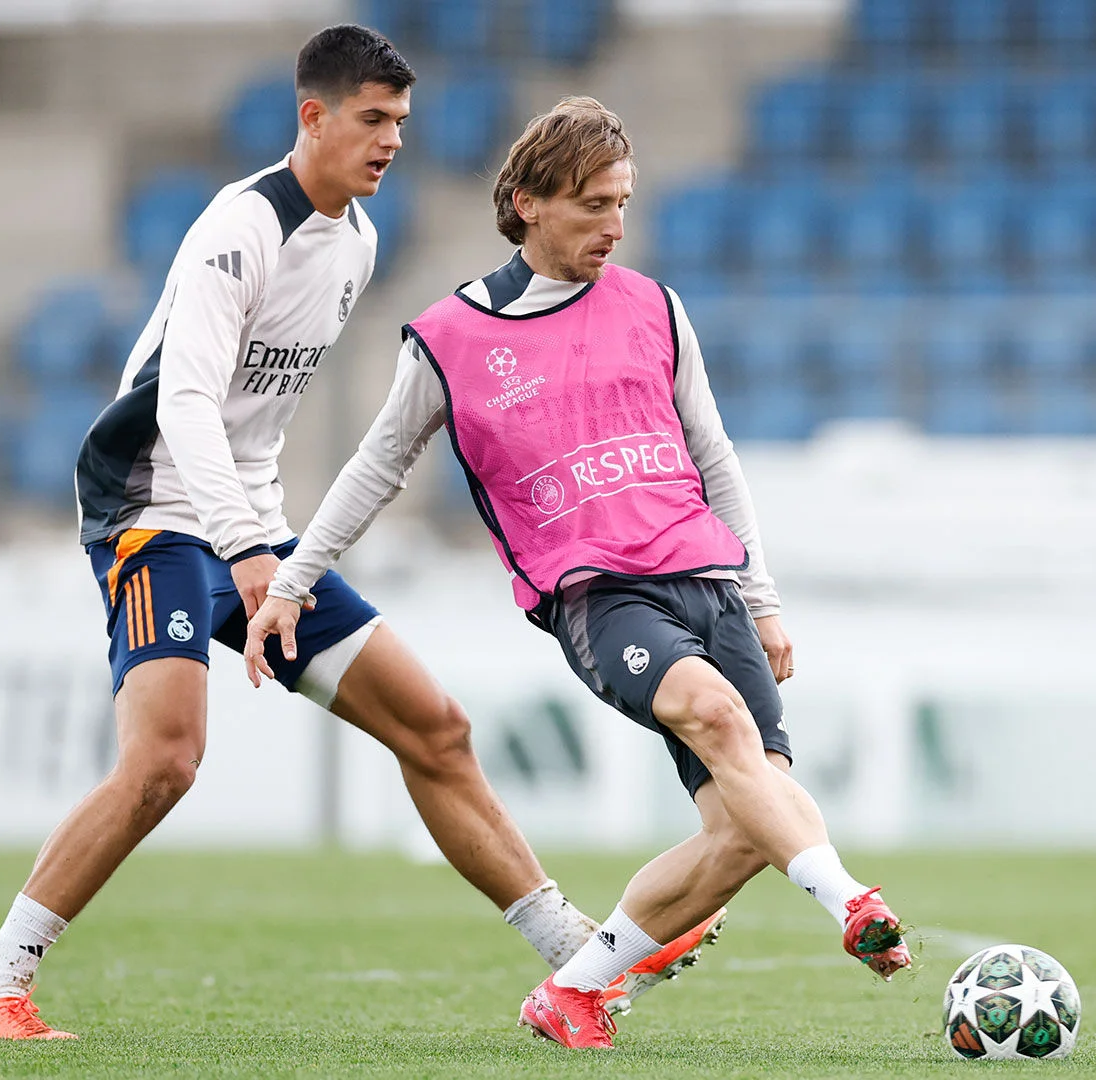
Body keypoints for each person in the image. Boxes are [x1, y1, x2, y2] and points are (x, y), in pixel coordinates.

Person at [0, 29, 712, 1042]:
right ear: (314, 115)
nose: (393, 141)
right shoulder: (238, 229)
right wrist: (251, 553)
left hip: (250, 524)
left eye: (402, 122)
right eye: (373, 119)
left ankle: (571, 952)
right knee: (167, 759)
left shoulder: (358, 242)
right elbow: (185, 406)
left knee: (434, 728)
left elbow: (261, 424)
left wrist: (274, 549)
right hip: (153, 519)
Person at [244, 97, 912, 1051]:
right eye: (595, 205)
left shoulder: (655, 306)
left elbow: (716, 461)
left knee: (741, 831)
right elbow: (373, 469)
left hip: (710, 580)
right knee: (719, 724)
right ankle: (853, 904)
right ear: (529, 203)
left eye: (624, 203)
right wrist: (293, 583)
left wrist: (761, 599)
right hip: (600, 597)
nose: (616, 225)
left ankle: (575, 991)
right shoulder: (450, 338)